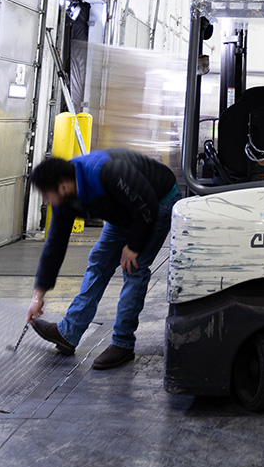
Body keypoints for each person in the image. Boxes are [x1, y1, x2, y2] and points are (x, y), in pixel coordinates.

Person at [25, 148, 180, 371]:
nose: (45, 199)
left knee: (133, 269)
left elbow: (146, 206)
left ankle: (123, 343)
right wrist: (38, 295)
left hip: (158, 201)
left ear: (63, 186)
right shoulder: (65, 199)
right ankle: (69, 333)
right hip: (123, 209)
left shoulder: (105, 172)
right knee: (99, 261)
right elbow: (54, 245)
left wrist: (134, 246)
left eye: (46, 194)